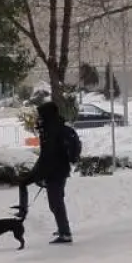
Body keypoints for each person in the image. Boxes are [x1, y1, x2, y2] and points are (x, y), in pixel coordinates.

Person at [17, 101, 80, 244]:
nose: (39, 117)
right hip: (52, 169)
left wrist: (41, 173)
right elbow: (45, 154)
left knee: (56, 202)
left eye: (41, 114)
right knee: (55, 202)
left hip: (56, 171)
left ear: (47, 114)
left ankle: (65, 233)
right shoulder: (49, 129)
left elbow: (50, 155)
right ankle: (62, 227)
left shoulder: (54, 130)